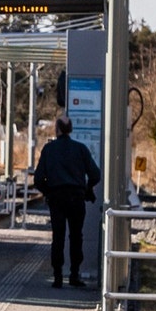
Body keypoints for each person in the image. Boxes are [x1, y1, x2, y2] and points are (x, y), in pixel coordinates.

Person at [33, 115, 101, 289]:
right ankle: (74, 274)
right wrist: (86, 188)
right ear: (70, 129)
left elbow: (38, 179)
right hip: (77, 197)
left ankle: (57, 276)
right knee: (76, 236)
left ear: (57, 129)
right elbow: (95, 175)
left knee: (58, 237)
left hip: (56, 198)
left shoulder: (49, 150)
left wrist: (49, 191)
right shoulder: (81, 149)